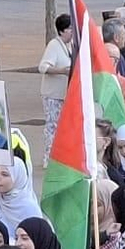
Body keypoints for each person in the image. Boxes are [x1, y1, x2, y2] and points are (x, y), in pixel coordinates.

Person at [38, 14, 75, 149]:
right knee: (52, 125)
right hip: (53, 94)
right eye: (69, 29)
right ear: (61, 31)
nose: (72, 32)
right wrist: (62, 71)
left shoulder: (71, 45)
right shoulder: (54, 45)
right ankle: (49, 156)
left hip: (65, 94)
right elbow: (43, 67)